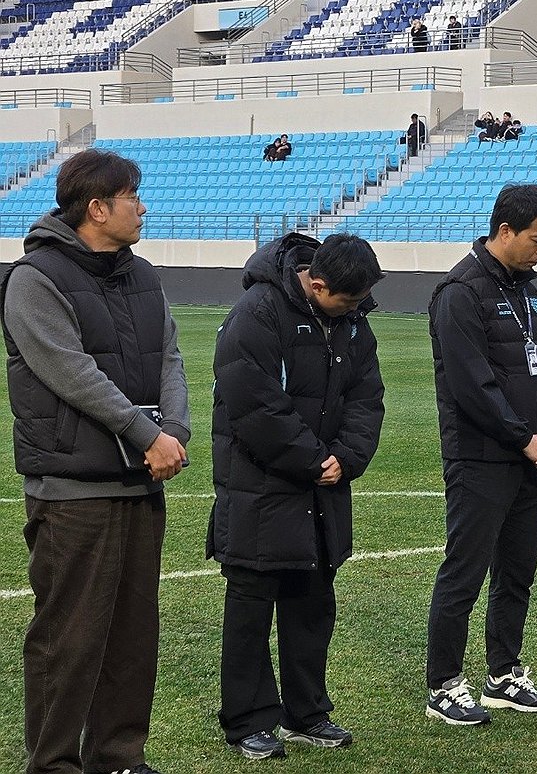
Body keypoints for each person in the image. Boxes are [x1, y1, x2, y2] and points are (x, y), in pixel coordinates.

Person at [2, 149, 190, 774]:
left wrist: (176, 429)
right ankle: (54, 764)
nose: (143, 207)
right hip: (72, 490)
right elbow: (71, 374)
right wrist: (147, 435)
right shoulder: (35, 278)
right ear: (97, 208)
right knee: (68, 641)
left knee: (133, 638)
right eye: (133, 196)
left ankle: (117, 757)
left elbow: (169, 354)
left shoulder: (142, 274)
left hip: (138, 485)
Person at [209, 232, 385, 758]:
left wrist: (345, 459)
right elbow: (252, 403)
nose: (357, 310)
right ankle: (246, 721)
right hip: (259, 488)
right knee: (250, 608)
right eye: (349, 301)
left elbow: (367, 397)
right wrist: (314, 460)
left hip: (323, 488)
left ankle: (306, 713)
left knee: (312, 605)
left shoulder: (353, 322)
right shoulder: (257, 312)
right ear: (318, 282)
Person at [425, 184, 537, 726]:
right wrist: (522, 437)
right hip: (482, 457)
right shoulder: (460, 292)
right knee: (465, 570)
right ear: (504, 231)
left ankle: (503, 674)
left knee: (517, 570)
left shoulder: (528, 291)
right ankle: (444, 684)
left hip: (529, 454)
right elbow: (472, 386)